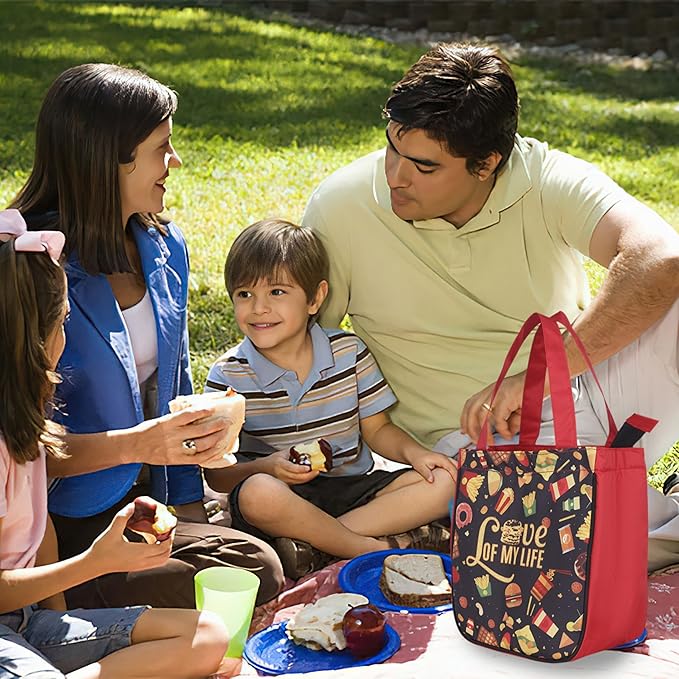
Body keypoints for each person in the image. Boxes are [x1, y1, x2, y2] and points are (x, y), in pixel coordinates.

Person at [301, 43, 679, 571]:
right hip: (475, 446)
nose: (395, 176)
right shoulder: (340, 207)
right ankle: (634, 528)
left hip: (587, 395)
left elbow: (660, 257)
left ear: (487, 164)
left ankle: (625, 525)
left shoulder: (545, 178)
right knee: (555, 546)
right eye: (392, 148)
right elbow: (297, 347)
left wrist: (536, 378)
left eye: (425, 167)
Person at [9, 63, 284, 608]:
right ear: (107, 157)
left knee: (254, 566)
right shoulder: (29, 267)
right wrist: (139, 443)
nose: (174, 162)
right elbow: (19, 442)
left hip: (146, 501)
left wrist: (188, 511)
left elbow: (172, 386)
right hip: (56, 524)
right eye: (162, 147)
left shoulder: (165, 246)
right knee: (240, 578)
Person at [0, 209, 233, 679]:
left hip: (27, 622)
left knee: (209, 634)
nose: (65, 339)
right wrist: (93, 563)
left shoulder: (23, 421)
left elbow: (36, 528)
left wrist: (57, 621)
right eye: (62, 323)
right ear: (30, 338)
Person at [203, 219, 457, 580]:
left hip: (351, 488)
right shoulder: (228, 375)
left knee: (444, 479)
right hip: (281, 499)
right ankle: (371, 549)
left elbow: (378, 430)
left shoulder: (348, 352)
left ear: (315, 298)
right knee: (258, 493)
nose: (258, 308)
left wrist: (418, 454)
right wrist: (268, 467)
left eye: (276, 292)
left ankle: (315, 546)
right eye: (244, 294)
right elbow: (218, 477)